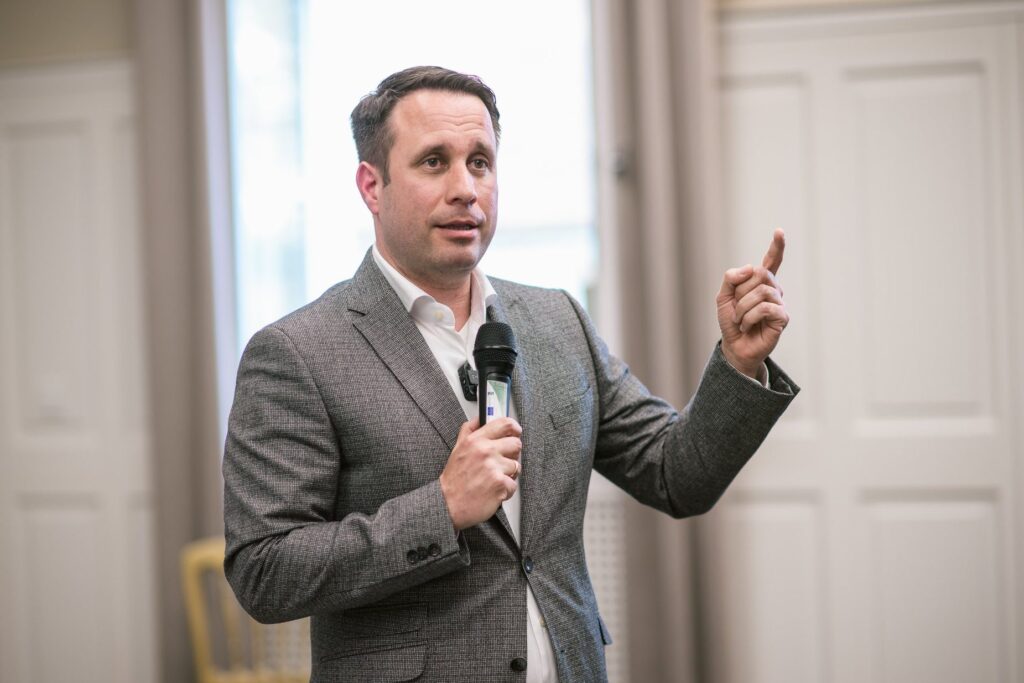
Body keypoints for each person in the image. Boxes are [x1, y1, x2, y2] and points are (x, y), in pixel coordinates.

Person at [223, 65, 798, 682]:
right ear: (372, 186)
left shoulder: (558, 321)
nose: (465, 189)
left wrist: (739, 362)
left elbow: (676, 476)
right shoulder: (298, 352)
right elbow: (264, 571)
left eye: (480, 162)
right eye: (434, 162)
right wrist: (441, 508)